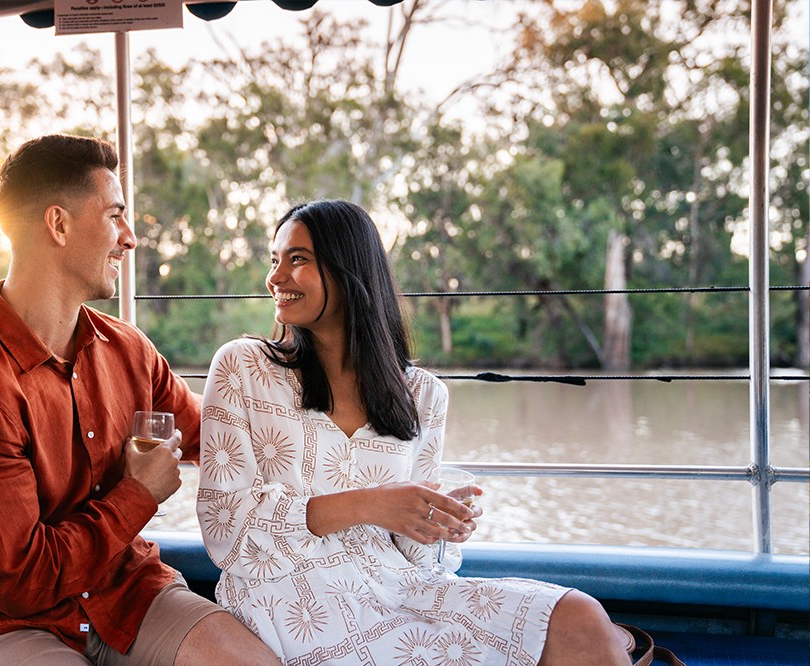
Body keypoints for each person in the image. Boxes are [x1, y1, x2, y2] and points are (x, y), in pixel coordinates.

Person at [197, 199, 631, 665]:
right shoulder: (242, 366)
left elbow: (418, 561)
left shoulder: (423, 394)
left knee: (581, 619)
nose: (276, 277)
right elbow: (225, 528)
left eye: (297, 259)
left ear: (349, 270)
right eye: (275, 261)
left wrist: (435, 522)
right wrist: (371, 504)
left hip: (398, 585)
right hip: (285, 592)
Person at [0, 134, 280, 666]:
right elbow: (23, 583)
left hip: (125, 593)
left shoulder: (129, 352)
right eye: (115, 215)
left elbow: (220, 436)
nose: (130, 239)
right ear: (58, 225)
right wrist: (138, 495)